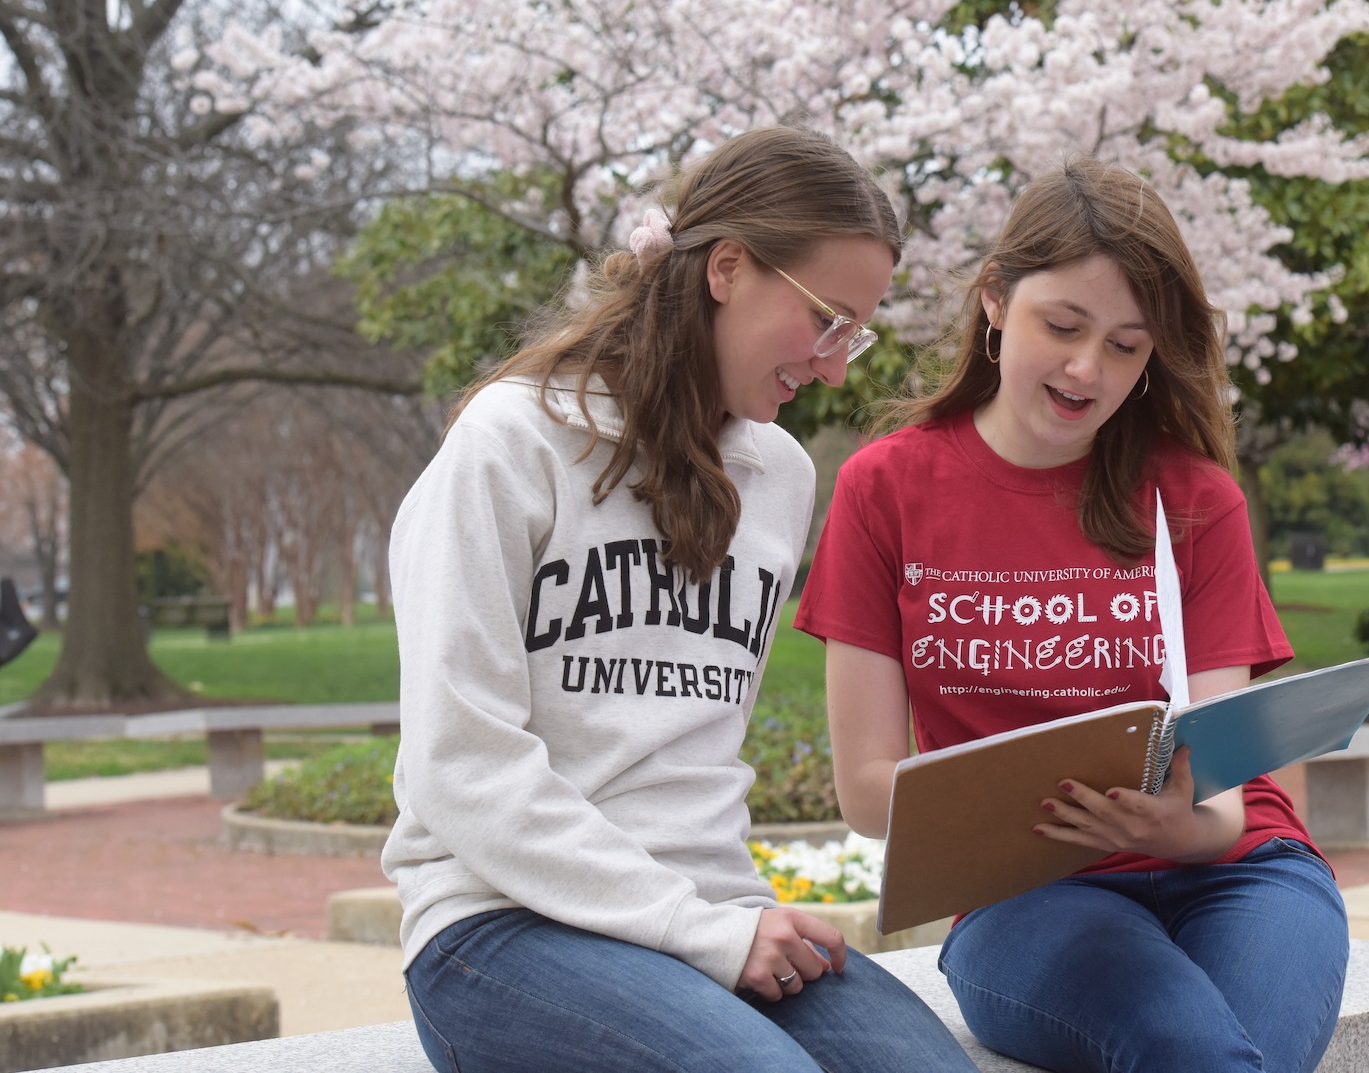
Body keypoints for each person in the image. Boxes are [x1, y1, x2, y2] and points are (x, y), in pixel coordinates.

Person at [384, 126, 979, 1073]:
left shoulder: (777, 476)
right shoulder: (515, 441)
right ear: (729, 268)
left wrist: (719, 924)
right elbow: (461, 764)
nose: (834, 366)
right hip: (501, 925)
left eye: (854, 336)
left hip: (714, 914)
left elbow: (687, 762)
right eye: (828, 321)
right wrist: (696, 930)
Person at [794, 159, 1350, 1073]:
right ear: (995, 300)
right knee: (1194, 1050)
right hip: (1028, 895)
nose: (1089, 368)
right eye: (1064, 325)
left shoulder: (1194, 494)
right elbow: (866, 790)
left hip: (1242, 872)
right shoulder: (885, 488)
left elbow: (1226, 796)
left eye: (1129, 346)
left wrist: (1173, 828)